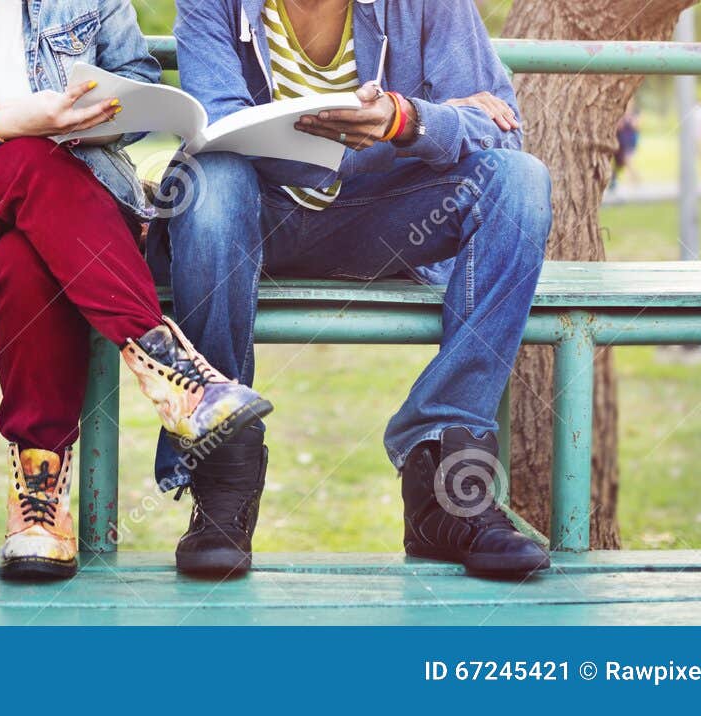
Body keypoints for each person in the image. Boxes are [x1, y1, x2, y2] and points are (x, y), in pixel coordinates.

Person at [0, 0, 273, 581]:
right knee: (31, 157)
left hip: (79, 206)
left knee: (28, 257)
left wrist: (94, 120)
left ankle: (38, 502)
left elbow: (138, 81)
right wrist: (10, 124)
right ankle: (169, 368)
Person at [150, 0, 554, 577]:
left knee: (519, 181)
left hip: (384, 221)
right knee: (210, 180)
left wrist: (406, 120)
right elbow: (217, 128)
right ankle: (222, 473)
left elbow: (502, 134)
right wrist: (408, 134)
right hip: (254, 217)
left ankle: (445, 480)